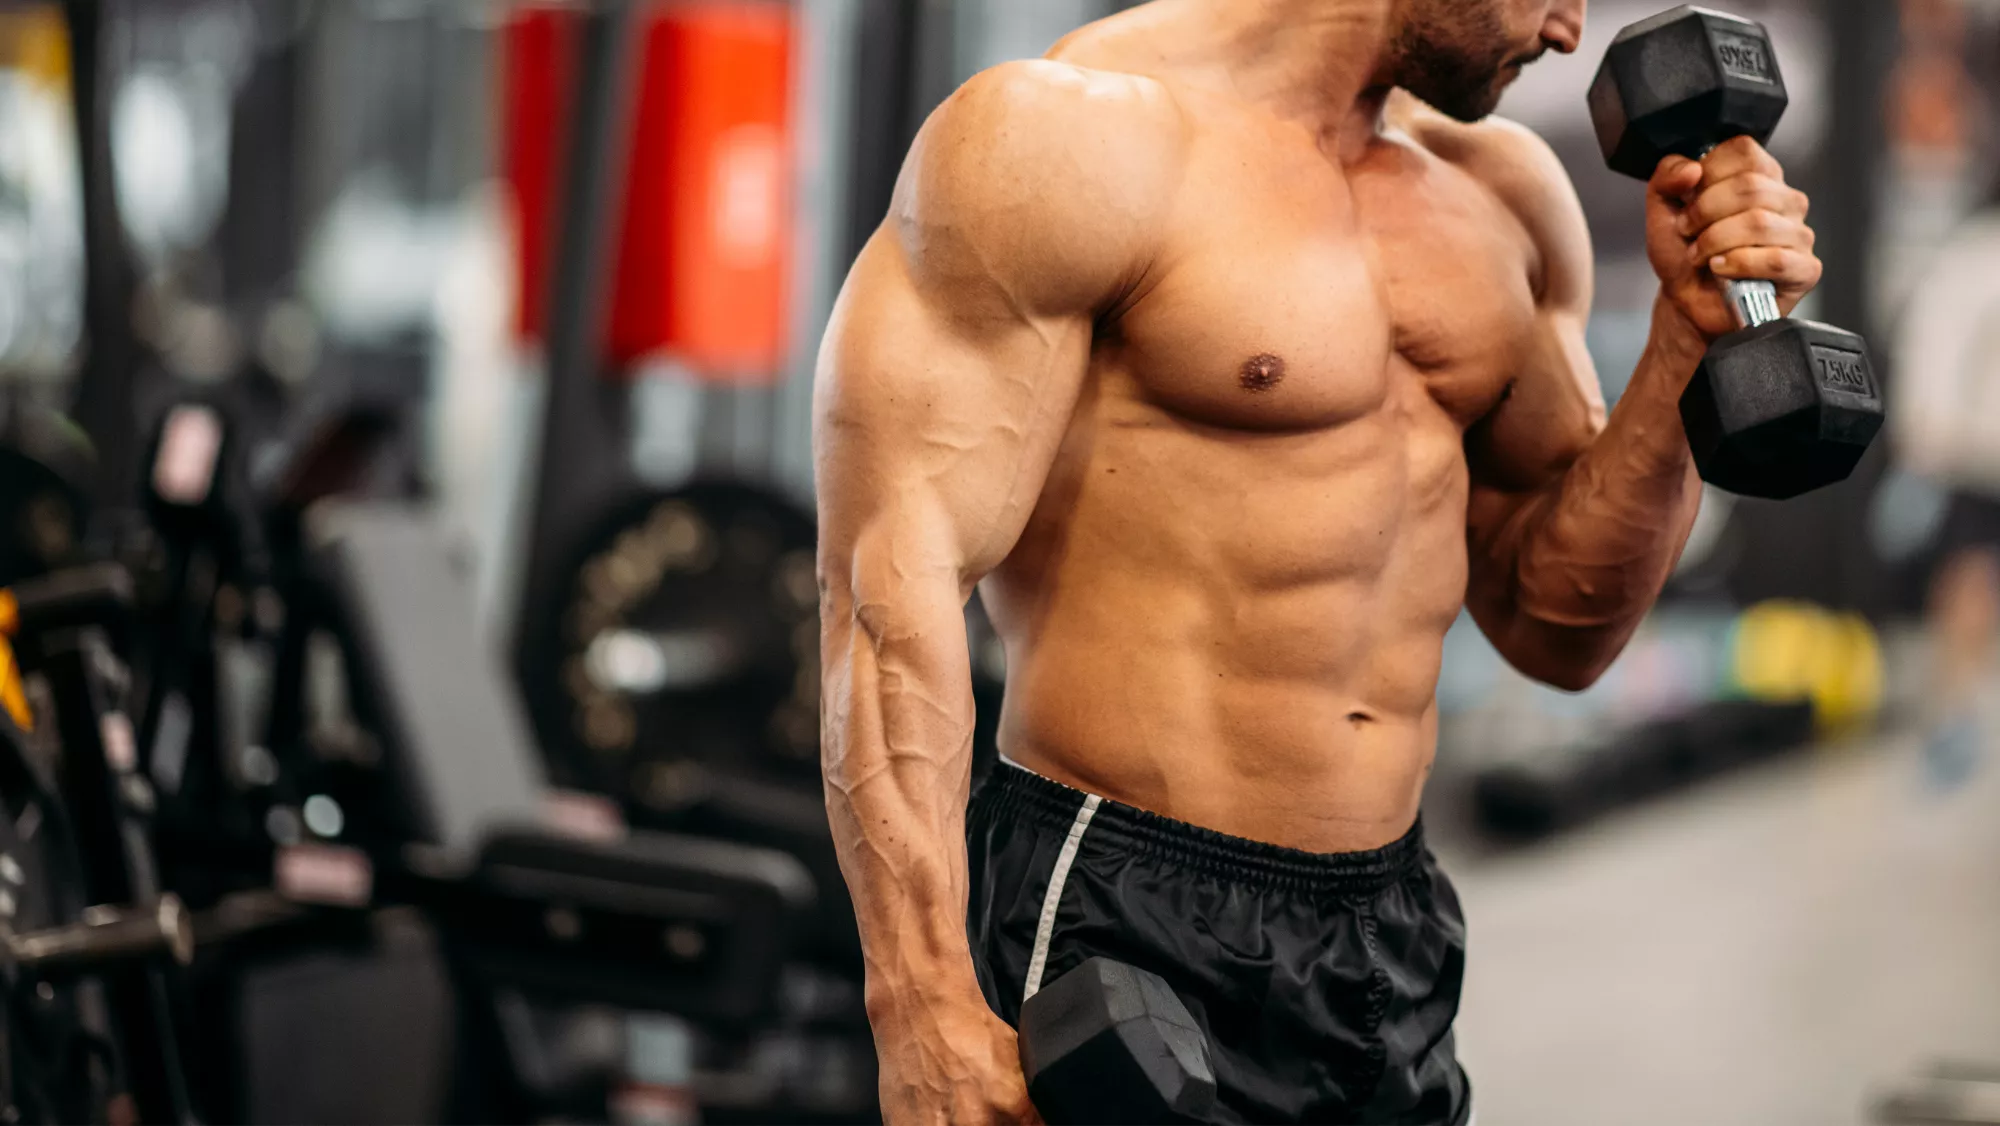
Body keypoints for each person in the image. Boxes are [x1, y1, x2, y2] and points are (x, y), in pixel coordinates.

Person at [812, 0, 1823, 1121]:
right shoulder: (1068, 141)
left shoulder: (1504, 197)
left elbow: (1554, 625)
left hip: (1388, 934)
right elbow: (886, 586)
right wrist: (920, 1004)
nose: (1567, 31)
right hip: (1116, 918)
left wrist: (1683, 345)